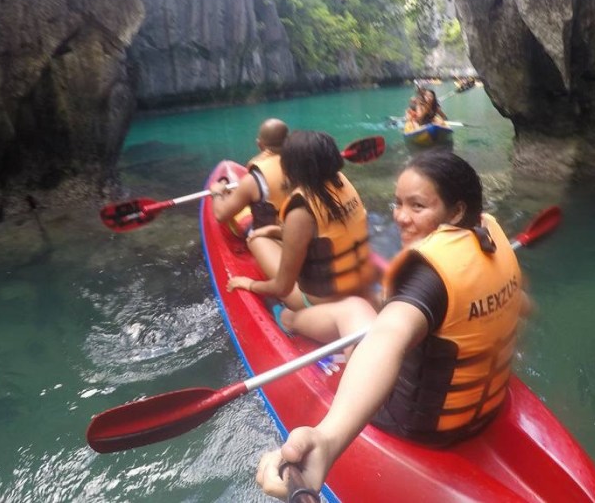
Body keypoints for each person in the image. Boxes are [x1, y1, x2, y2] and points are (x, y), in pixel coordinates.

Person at [255, 150, 532, 499]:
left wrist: (327, 438)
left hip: (414, 423)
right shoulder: (489, 233)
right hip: (485, 409)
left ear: (456, 211)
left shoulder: (429, 278)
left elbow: (387, 337)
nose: (400, 217)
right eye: (397, 203)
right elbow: (522, 305)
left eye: (417, 206)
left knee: (354, 308)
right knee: (378, 304)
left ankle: (291, 318)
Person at [226, 130, 377, 318]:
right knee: (269, 235)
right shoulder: (342, 182)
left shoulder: (301, 211)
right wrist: (279, 231)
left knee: (257, 239)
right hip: (361, 287)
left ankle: (292, 319)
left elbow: (282, 287)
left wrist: (250, 284)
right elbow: (328, 233)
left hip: (320, 304)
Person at [210, 117, 291, 254]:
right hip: (298, 230)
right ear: (288, 141)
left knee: (242, 212)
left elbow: (220, 215)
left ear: (260, 144)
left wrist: (216, 193)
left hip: (268, 238)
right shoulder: (302, 165)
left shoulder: (253, 180)